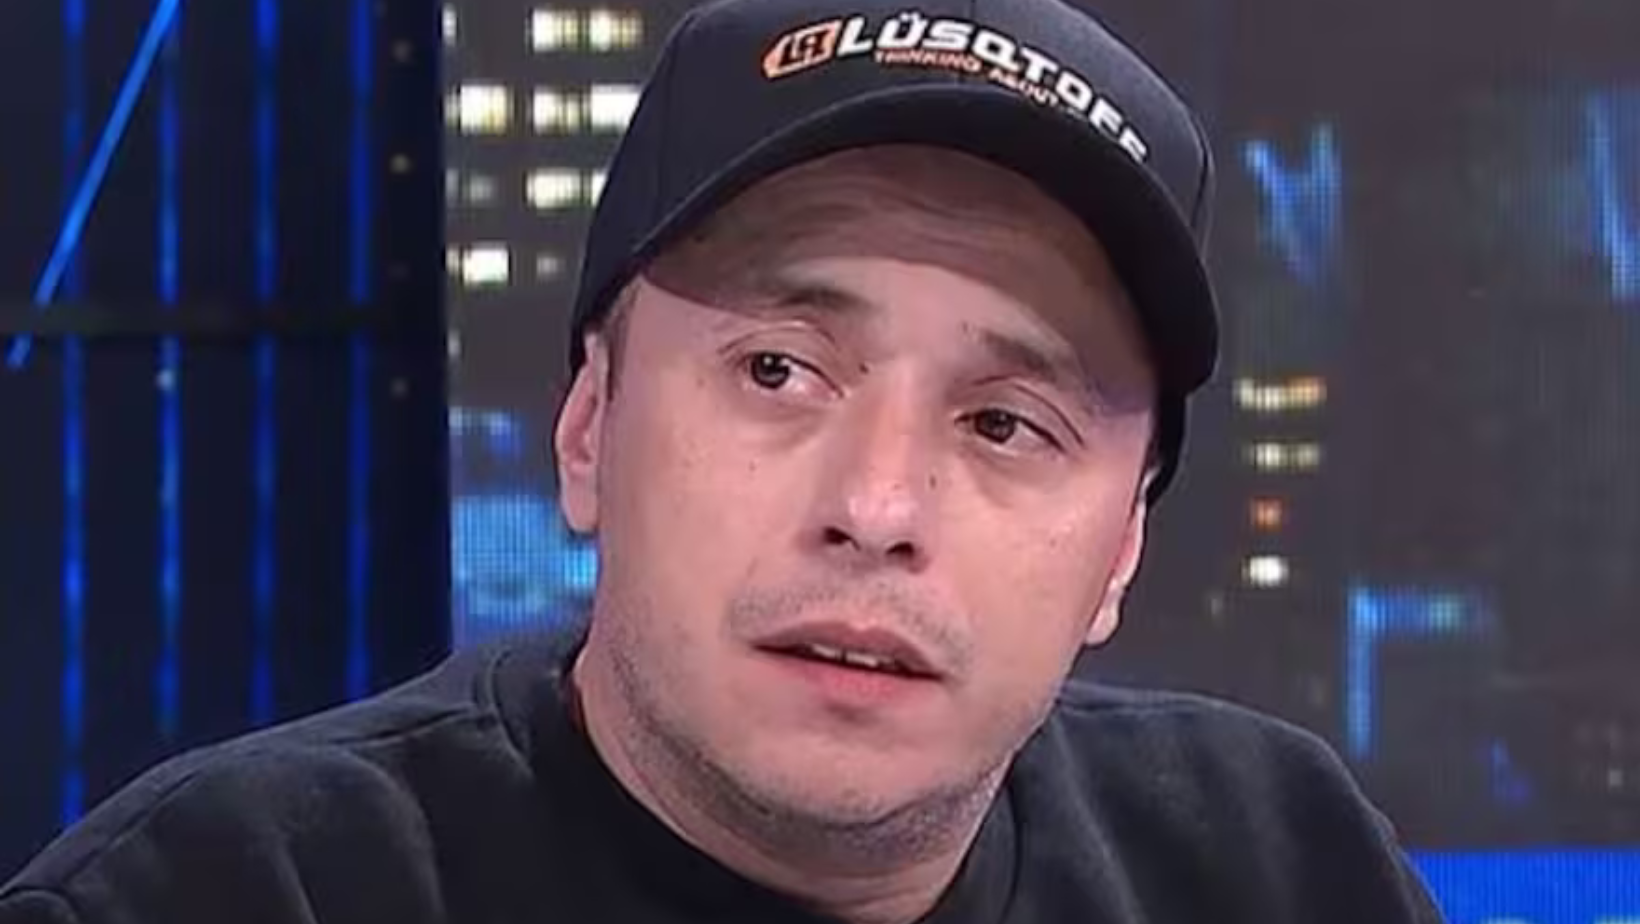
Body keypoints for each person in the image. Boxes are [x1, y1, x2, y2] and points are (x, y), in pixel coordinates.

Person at [0, 0, 1447, 921]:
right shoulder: (232, 895)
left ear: (1122, 545)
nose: (876, 507)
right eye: (777, 371)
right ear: (588, 428)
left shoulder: (1278, 867)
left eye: (1005, 423)